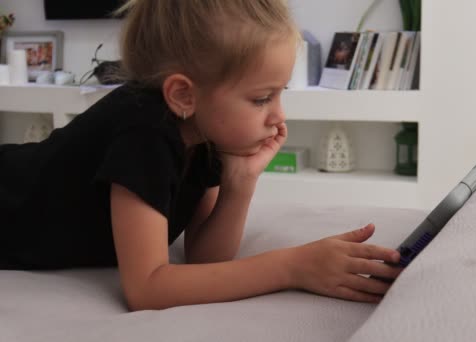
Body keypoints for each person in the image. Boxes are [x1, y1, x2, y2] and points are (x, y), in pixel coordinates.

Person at [0, 0, 403, 310]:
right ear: (183, 95)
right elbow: (147, 288)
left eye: (280, 94)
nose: (279, 116)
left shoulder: (203, 132)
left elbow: (205, 259)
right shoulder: (145, 130)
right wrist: (291, 266)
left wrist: (239, 184)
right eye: (263, 98)